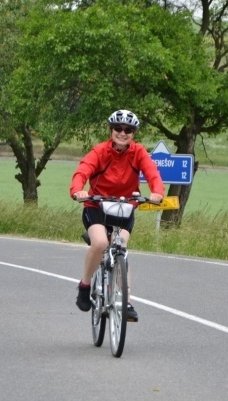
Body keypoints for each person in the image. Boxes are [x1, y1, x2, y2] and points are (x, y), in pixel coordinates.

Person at [70, 109, 164, 321]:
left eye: (128, 130)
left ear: (134, 133)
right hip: (96, 205)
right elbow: (83, 171)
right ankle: (85, 285)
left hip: (124, 207)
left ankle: (126, 302)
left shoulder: (138, 152)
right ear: (111, 130)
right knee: (101, 243)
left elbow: (152, 173)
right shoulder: (100, 151)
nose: (123, 133)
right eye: (118, 128)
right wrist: (78, 190)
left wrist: (157, 192)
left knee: (120, 248)